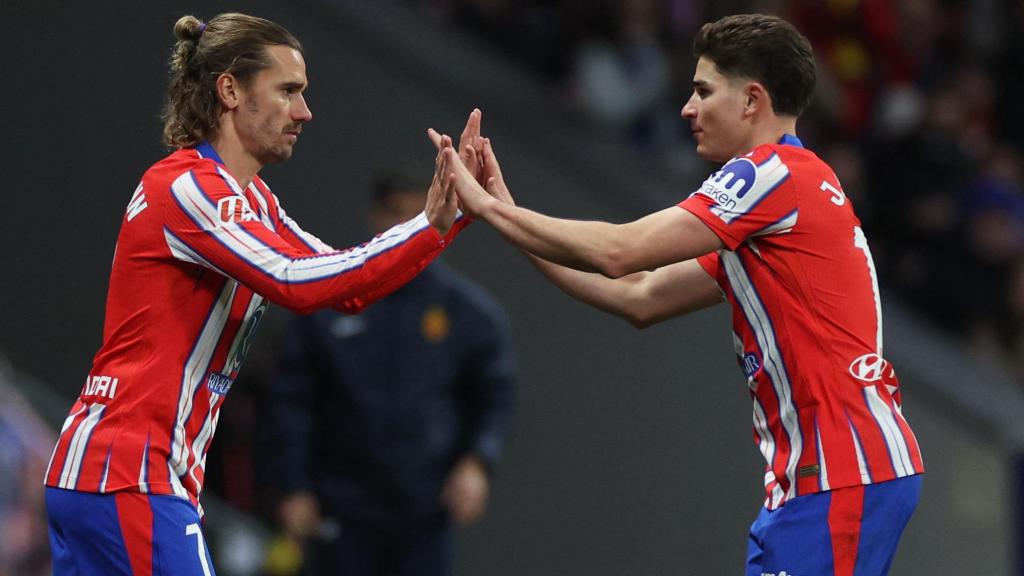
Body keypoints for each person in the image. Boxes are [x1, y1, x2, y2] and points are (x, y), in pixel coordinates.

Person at [439, 13, 924, 576]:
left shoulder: (768, 174)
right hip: (823, 476)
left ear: (751, 100)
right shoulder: (784, 195)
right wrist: (507, 209)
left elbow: (620, 252)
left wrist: (492, 210)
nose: (687, 109)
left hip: (841, 473)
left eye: (702, 91)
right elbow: (639, 296)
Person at [42, 12, 479, 576]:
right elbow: (298, 283)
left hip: (115, 474)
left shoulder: (250, 201)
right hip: (130, 475)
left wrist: (448, 218)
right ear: (230, 90)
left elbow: (338, 281)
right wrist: (429, 225)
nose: (304, 111)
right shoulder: (190, 187)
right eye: (288, 91)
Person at [262, 169, 517, 576]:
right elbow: (290, 401)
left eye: (421, 215)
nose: (408, 227)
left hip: (425, 514)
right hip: (340, 508)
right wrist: (292, 486)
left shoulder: (469, 315)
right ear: (375, 215)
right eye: (397, 213)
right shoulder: (330, 300)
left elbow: (494, 397)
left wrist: (477, 462)